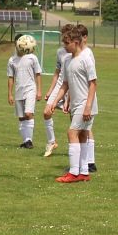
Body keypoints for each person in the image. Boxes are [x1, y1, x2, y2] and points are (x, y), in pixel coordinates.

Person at [46, 28, 97, 183]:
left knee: (72, 133)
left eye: (67, 43)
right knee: (81, 135)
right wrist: (56, 101)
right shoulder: (67, 60)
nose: (64, 46)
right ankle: (84, 172)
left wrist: (88, 106)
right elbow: (65, 84)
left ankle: (74, 173)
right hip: (75, 103)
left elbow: (93, 84)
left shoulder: (85, 59)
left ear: (76, 42)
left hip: (85, 103)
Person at [42, 24, 75, 157]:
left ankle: (75, 147)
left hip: (72, 87)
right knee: (46, 112)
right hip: (60, 86)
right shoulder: (60, 52)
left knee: (74, 119)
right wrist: (50, 90)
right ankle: (52, 142)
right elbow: (57, 73)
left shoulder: (76, 51)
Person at [7, 35, 42, 149]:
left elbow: (38, 74)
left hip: (30, 89)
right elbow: (11, 77)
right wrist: (10, 94)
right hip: (19, 90)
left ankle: (29, 141)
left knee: (28, 114)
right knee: (21, 117)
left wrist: (39, 91)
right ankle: (25, 141)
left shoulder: (32, 58)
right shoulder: (12, 60)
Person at [75, 24, 98, 172]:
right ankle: (88, 163)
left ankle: (88, 163)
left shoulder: (87, 54)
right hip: (81, 98)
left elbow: (92, 81)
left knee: (84, 130)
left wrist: (88, 105)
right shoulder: (80, 54)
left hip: (87, 99)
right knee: (85, 130)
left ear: (85, 38)